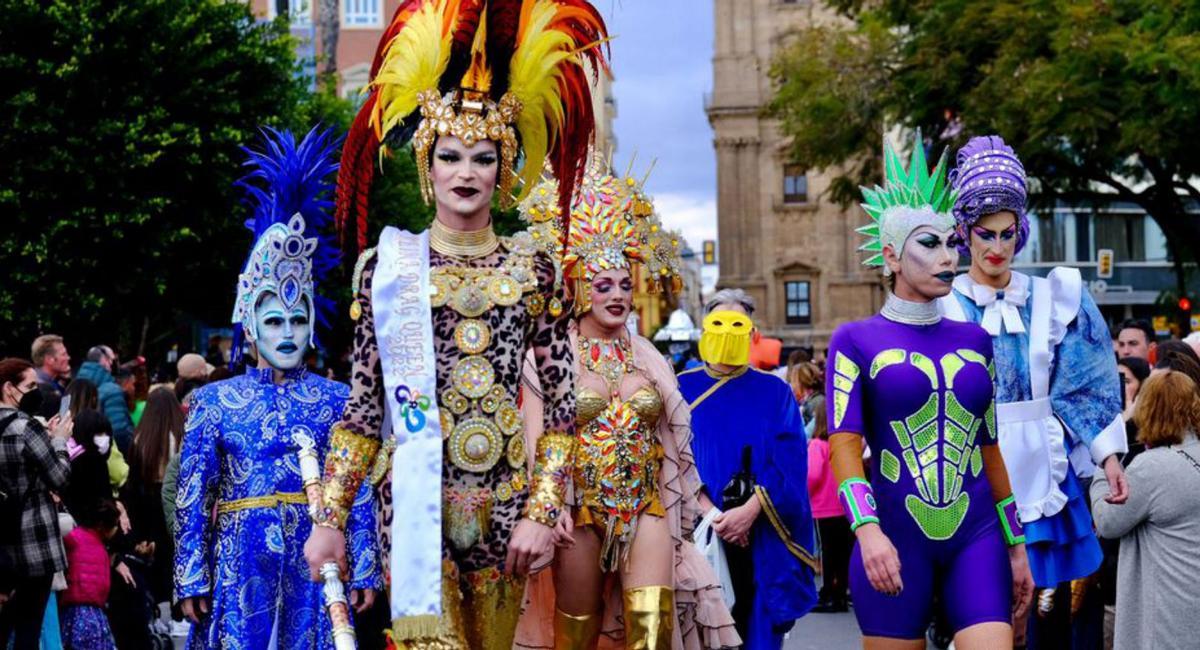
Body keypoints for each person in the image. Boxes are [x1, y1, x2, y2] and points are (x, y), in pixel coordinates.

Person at [303, 3, 608, 647]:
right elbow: (362, 411)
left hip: (504, 512)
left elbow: (559, 413)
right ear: (427, 166)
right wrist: (330, 516)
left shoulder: (536, 272)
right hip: (413, 506)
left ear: (502, 171)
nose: (466, 172)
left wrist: (541, 510)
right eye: (450, 156)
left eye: (483, 157)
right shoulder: (386, 270)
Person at [514, 155, 740, 649]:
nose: (617, 295)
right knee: (577, 631)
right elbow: (535, 443)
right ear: (577, 287)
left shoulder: (650, 357)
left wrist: (698, 502)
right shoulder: (549, 356)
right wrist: (547, 510)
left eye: (623, 284)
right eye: (602, 285)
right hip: (580, 512)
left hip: (647, 505)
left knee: (652, 627)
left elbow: (675, 440)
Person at [173, 127, 381, 649]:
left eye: (296, 319)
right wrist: (190, 575)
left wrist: (365, 564)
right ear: (250, 327)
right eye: (274, 321)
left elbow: (355, 491)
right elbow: (193, 494)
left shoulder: (338, 401)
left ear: (312, 322)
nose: (286, 333)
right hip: (241, 563)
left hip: (317, 563)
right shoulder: (214, 401)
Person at [829, 133, 1034, 647]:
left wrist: (1017, 545)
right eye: (929, 243)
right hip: (893, 536)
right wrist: (866, 530)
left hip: (979, 536)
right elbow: (844, 445)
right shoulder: (853, 341)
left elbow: (989, 447)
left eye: (950, 243)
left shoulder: (975, 339)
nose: (948, 257)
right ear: (892, 256)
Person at [938, 136, 1127, 645]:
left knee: (1052, 621)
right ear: (963, 232)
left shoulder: (1054, 296)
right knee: (980, 614)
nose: (997, 247)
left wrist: (1108, 457)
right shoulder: (942, 304)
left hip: (1048, 474)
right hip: (969, 474)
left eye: (1007, 233)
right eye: (984, 234)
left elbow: (1086, 385)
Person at [669, 288, 817, 649]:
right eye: (718, 323)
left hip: (762, 533)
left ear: (751, 333)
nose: (728, 332)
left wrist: (749, 513)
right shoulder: (679, 387)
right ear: (705, 329)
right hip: (698, 530)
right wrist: (715, 517)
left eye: (738, 324)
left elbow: (791, 459)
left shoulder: (775, 392)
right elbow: (670, 456)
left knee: (756, 629)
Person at [1091, 370, 1200, 650]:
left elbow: (1107, 521)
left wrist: (1106, 464)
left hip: (1167, 619)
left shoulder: (1152, 468)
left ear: (1146, 409)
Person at [0, 358, 73, 649]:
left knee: (6, 626)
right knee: (29, 627)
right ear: (8, 388)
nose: (34, 391)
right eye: (29, 385)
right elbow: (59, 477)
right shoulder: (24, 426)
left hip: (3, 544)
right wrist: (59, 441)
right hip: (34, 540)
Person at [122, 387, 184, 605]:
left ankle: (160, 607)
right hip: (177, 498)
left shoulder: (140, 437)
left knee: (156, 559)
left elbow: (133, 481)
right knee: (175, 553)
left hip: (148, 502)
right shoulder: (181, 433)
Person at [60, 499, 122, 650]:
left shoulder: (75, 537)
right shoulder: (101, 548)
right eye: (114, 525)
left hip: (72, 609)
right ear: (103, 526)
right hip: (93, 611)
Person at [807, 397, 849, 614]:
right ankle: (840, 592)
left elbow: (813, 475)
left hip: (823, 507)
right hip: (844, 506)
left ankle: (828, 593)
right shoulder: (840, 445)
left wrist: (806, 493)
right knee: (843, 553)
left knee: (828, 552)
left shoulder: (816, 445)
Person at [76, 346, 134, 453]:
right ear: (104, 360)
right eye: (112, 360)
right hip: (110, 458)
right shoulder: (111, 390)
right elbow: (120, 432)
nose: (113, 364)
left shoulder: (75, 386)